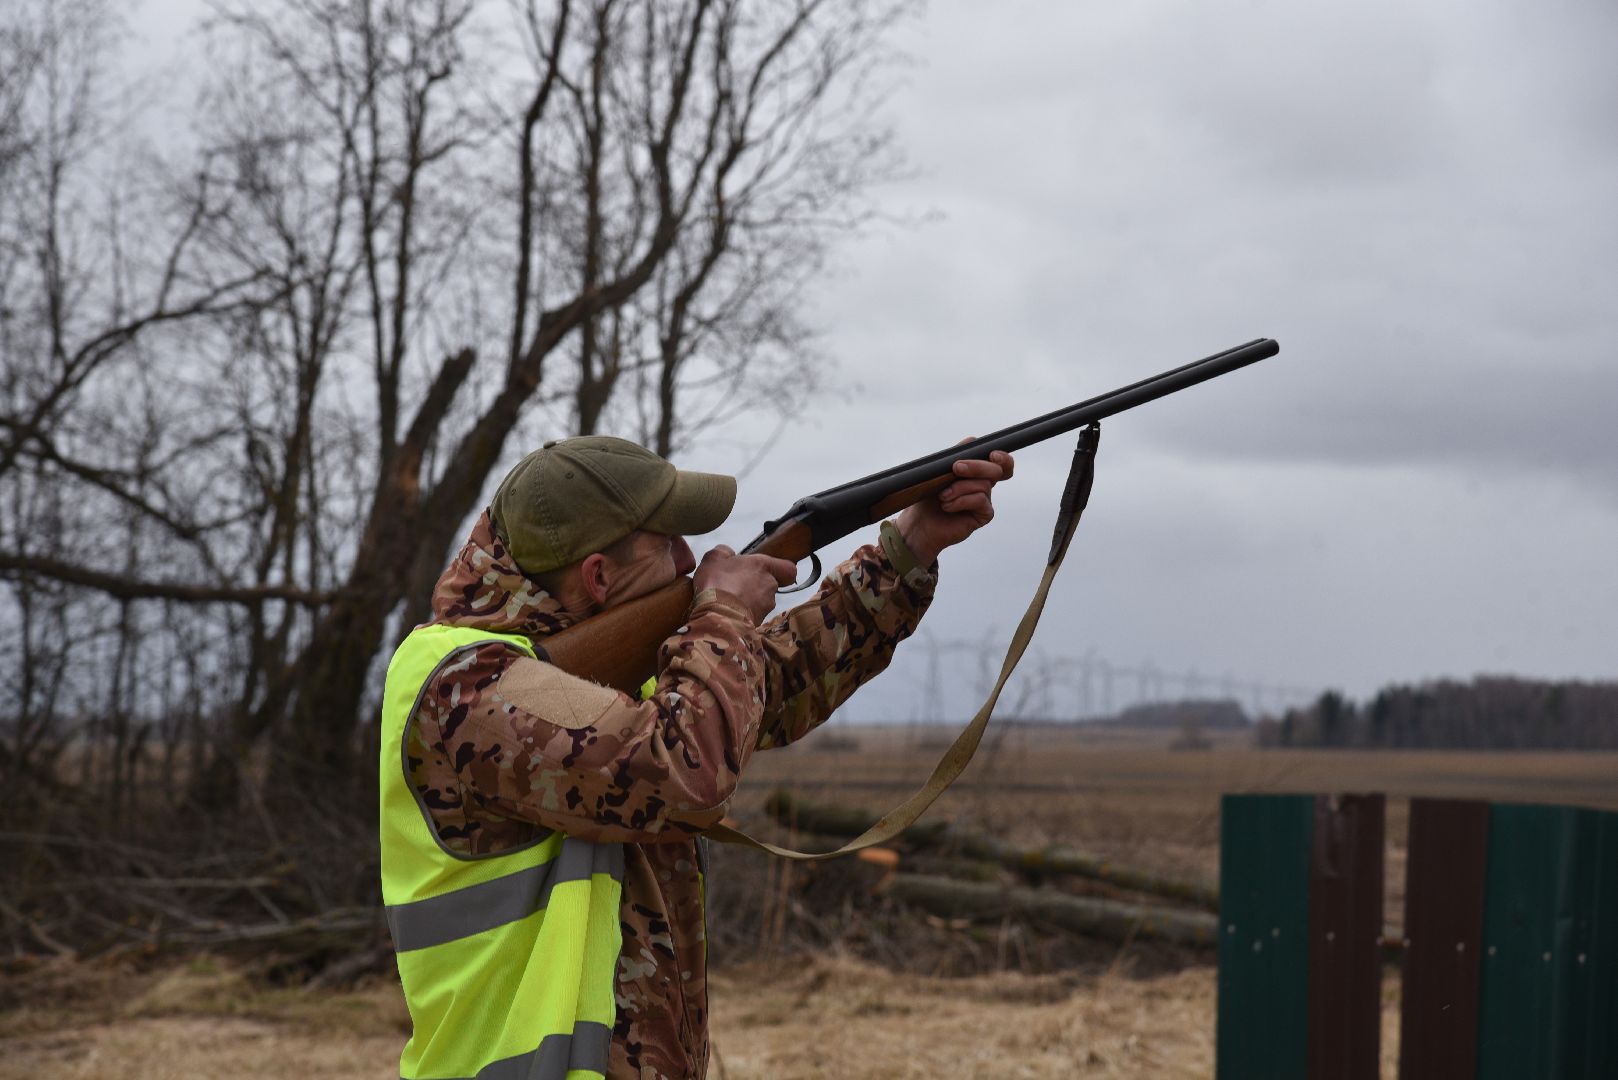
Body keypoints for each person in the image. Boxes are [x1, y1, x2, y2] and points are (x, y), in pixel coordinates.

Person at [379, 435, 1013, 1080]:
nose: (694, 558)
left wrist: (908, 548)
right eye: (668, 543)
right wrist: (725, 612)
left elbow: (765, 687)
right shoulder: (466, 688)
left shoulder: (587, 679)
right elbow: (683, 774)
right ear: (598, 575)